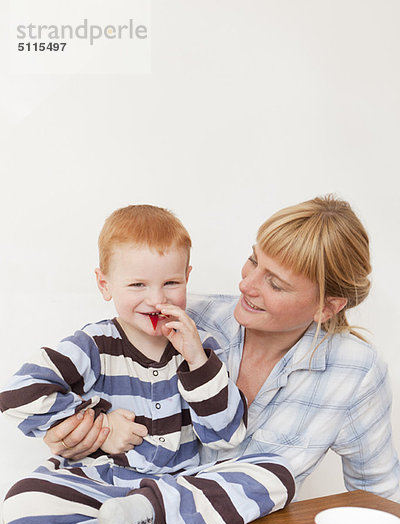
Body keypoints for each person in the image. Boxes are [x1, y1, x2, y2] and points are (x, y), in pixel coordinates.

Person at [42, 196, 400, 502]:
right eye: (254, 260)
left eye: (274, 284)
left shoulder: (356, 371)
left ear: (326, 307)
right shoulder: (182, 316)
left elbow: (377, 497)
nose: (246, 283)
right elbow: (99, 372)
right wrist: (87, 430)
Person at [0, 205, 294, 524]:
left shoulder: (199, 348)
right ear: (105, 284)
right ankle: (135, 519)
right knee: (23, 504)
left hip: (181, 483)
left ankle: (148, 514)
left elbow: (226, 435)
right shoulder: (92, 346)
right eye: (138, 284)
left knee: (276, 475)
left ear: (187, 277)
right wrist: (101, 424)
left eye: (171, 283)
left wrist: (196, 359)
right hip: (106, 480)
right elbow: (19, 393)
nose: (156, 299)